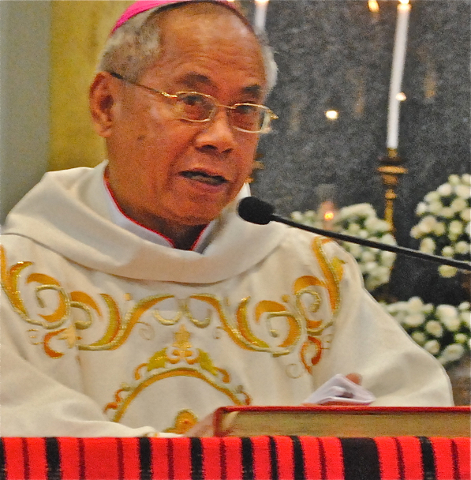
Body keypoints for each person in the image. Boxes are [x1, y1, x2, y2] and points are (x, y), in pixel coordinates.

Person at [0, 0, 453, 437]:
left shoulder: (312, 275)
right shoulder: (17, 275)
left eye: (245, 112)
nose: (221, 138)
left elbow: (418, 413)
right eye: (192, 101)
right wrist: (196, 462)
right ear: (106, 105)